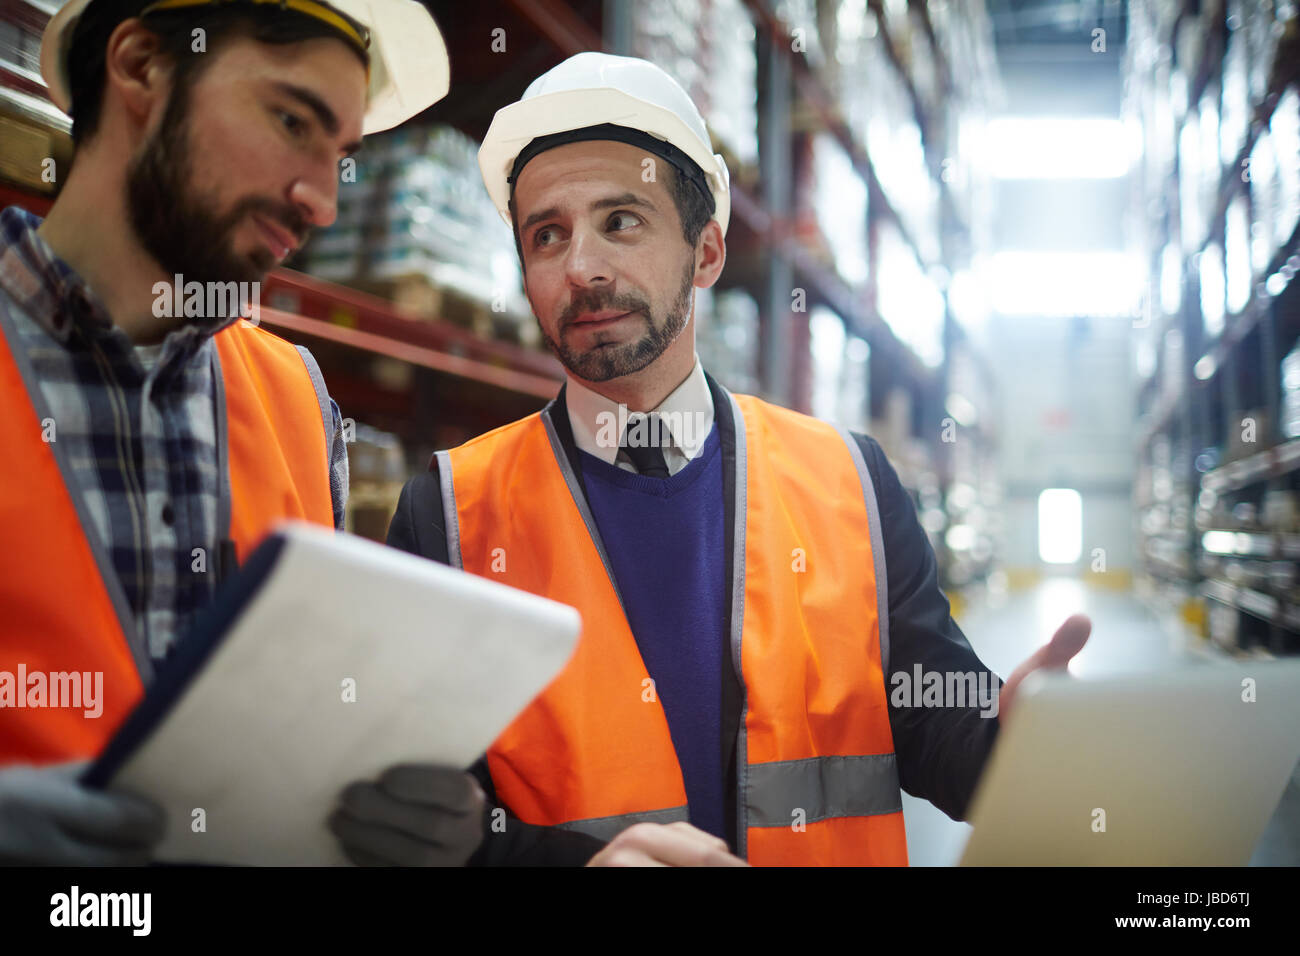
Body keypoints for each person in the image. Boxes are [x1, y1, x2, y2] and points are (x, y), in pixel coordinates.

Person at [386, 52, 1092, 866]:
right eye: (548, 234)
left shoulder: (849, 485)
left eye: (621, 221)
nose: (581, 267)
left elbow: (940, 731)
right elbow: (424, 823)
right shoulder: (449, 510)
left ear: (708, 252)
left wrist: (1017, 736)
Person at [0, 0, 483, 867]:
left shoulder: (294, 399)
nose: (323, 203)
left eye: (340, 157)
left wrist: (397, 816)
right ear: (143, 66)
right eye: (291, 120)